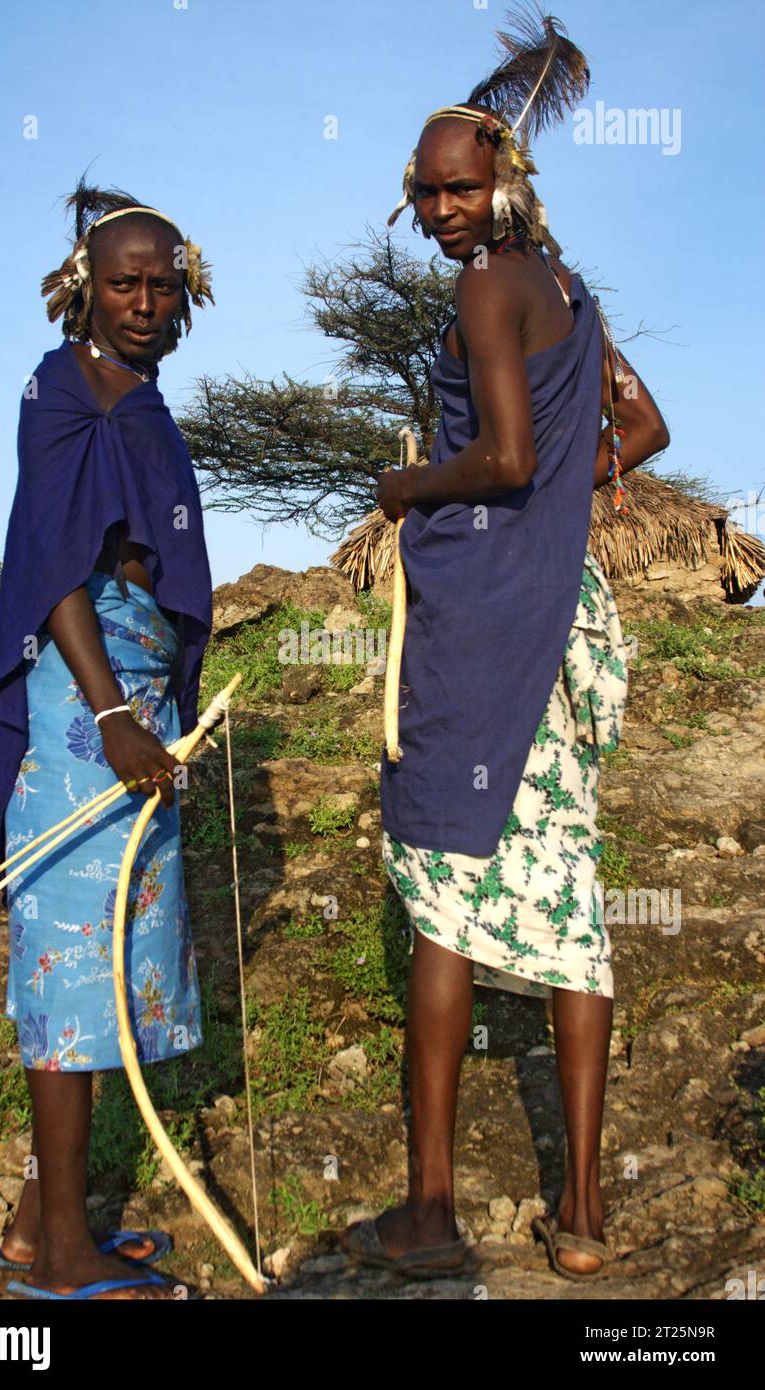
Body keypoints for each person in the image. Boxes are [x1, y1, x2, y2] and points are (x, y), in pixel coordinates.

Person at [341, 11, 670, 1283]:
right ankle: (580, 1218)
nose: (438, 211)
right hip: (569, 619)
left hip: (491, 634)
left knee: (438, 894)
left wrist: (410, 484)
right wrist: (559, 503)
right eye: (423, 192)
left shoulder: (488, 286)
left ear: (505, 183)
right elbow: (636, 429)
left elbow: (509, 457)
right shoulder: (569, 294)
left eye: (458, 187)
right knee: (567, 893)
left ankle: (430, 1212)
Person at [0, 179, 214, 1298]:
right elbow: (54, 561)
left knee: (106, 965)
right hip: (84, 708)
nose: (146, 301)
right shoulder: (60, 390)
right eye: (125, 282)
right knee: (72, 975)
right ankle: (64, 1258)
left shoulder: (145, 404)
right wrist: (114, 715)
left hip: (137, 699)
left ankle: (38, 1223)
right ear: (84, 289)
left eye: (164, 284)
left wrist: (153, 707)